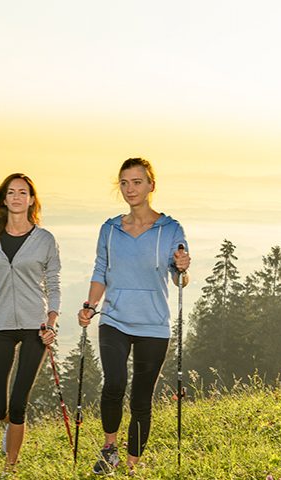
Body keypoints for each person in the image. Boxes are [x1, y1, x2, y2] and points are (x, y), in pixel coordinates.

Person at [77, 158, 190, 475]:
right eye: (124, 183)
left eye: (137, 182)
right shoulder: (110, 229)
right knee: (113, 384)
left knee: (141, 398)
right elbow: (101, 270)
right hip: (114, 320)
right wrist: (90, 304)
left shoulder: (170, 230)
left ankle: (132, 466)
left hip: (154, 325)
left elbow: (180, 280)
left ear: (151, 185)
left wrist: (183, 269)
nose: (130, 189)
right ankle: (109, 449)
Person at [0, 172, 61, 474]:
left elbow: (54, 285)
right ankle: (9, 427)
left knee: (19, 404)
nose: (17, 197)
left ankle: (11, 466)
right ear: (4, 200)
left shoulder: (44, 240)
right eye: (11, 192)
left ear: (31, 200)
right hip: (1, 324)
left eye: (23, 192)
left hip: (35, 326)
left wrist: (51, 323)